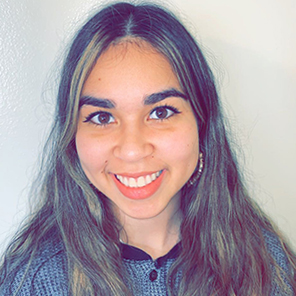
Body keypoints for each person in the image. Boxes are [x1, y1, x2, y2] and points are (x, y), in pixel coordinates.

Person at [0, 2, 295, 295]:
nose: (132, 150)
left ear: (202, 125)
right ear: (72, 137)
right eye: (102, 117)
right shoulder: (33, 279)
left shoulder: (266, 263)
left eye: (161, 112)